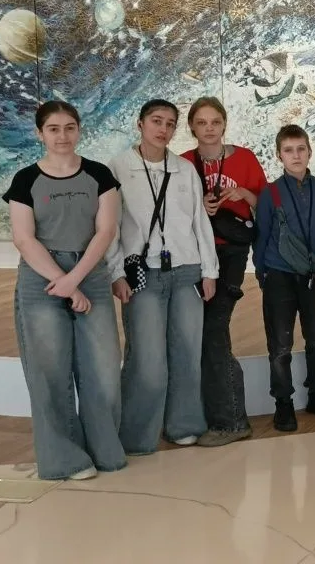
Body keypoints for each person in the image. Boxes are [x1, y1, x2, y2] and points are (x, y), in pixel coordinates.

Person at [3, 101, 126, 481]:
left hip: (90, 273)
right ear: (40, 133)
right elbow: (24, 239)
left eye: (69, 127)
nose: (62, 136)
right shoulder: (25, 180)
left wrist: (75, 281)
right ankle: (66, 459)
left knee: (104, 370)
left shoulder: (99, 175)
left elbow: (106, 231)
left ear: (79, 130)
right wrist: (63, 281)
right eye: (53, 129)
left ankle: (105, 451)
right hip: (41, 278)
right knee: (49, 372)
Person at [107, 99, 218, 456]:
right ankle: (136, 436)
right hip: (143, 276)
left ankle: (184, 425)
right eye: (157, 121)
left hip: (186, 272)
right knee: (147, 359)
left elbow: (199, 223)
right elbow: (109, 229)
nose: (163, 129)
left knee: (187, 353)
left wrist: (209, 270)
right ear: (140, 124)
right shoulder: (118, 168)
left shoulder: (184, 169)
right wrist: (115, 272)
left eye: (170, 124)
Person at [180, 97, 266, 447]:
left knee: (214, 330)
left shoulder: (244, 158)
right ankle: (205, 415)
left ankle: (231, 420)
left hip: (231, 252)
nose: (209, 128)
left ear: (225, 124)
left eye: (215, 121)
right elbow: (174, 212)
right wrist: (199, 205)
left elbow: (265, 204)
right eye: (202, 123)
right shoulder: (183, 163)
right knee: (199, 334)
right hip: (195, 253)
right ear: (192, 127)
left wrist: (243, 193)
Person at [253, 125, 315, 431]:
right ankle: (283, 402)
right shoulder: (270, 193)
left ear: (310, 152)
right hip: (279, 275)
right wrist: (263, 273)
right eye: (288, 150)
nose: (295, 155)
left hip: (313, 275)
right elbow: (262, 236)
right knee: (280, 344)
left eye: (301, 149)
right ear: (279, 155)